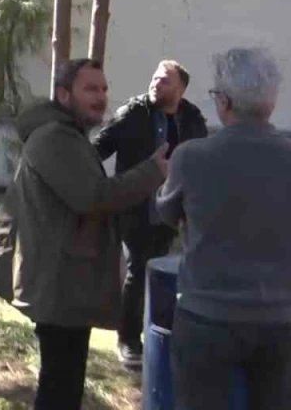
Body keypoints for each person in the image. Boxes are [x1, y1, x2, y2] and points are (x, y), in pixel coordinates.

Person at [0, 58, 169, 410]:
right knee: (60, 388)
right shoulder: (54, 137)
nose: (101, 97)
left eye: (103, 89)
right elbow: (92, 197)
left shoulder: (66, 134)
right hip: (58, 283)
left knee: (64, 384)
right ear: (64, 94)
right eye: (90, 89)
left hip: (65, 280)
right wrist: (152, 172)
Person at [157, 48, 291, 410]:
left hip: (208, 316)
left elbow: (166, 214)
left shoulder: (191, 156)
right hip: (283, 318)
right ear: (271, 103)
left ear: (225, 101)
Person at [93, 59, 208, 369]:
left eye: (165, 80)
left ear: (181, 90)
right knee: (138, 269)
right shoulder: (132, 113)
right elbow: (96, 150)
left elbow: (201, 162)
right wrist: (101, 189)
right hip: (135, 206)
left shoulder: (192, 120)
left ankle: (159, 334)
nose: (156, 83)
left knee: (161, 271)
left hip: (171, 210)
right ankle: (128, 340)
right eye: (155, 78)